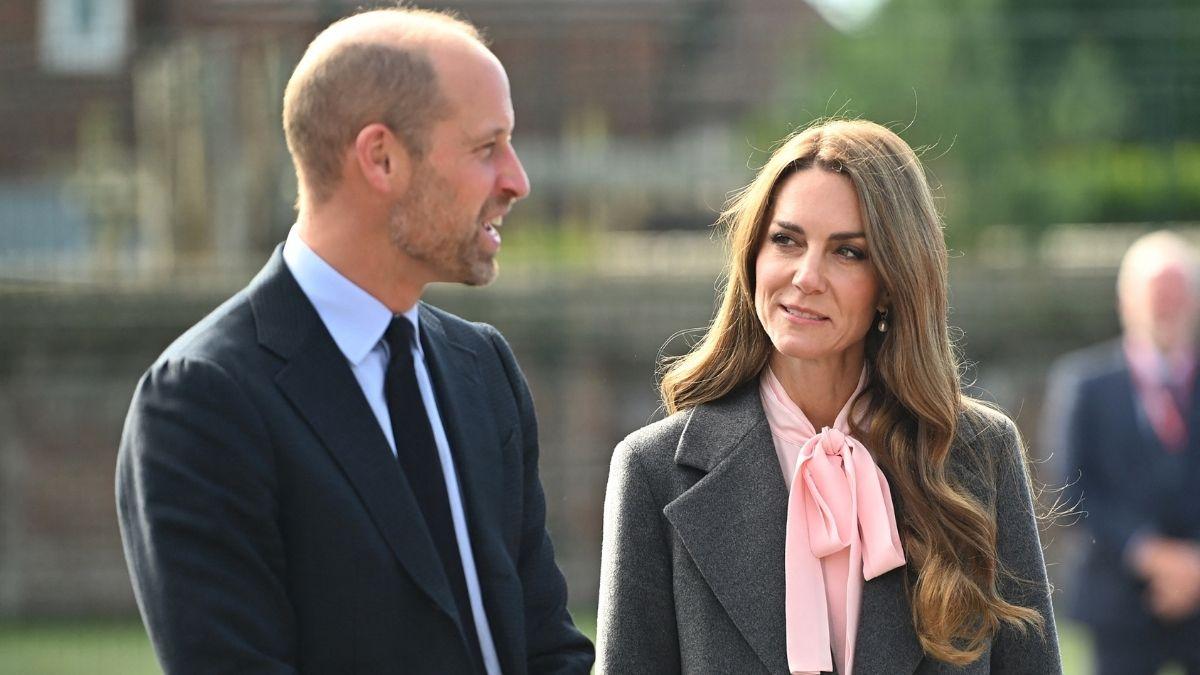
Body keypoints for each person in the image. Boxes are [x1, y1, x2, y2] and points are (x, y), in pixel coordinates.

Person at [115, 8, 594, 674]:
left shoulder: (482, 368)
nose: (517, 180)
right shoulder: (203, 400)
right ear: (381, 158)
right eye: (487, 148)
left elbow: (546, 645)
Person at [596, 119, 1061, 673]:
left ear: (892, 282)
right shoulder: (653, 469)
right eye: (786, 241)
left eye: (848, 252)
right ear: (752, 256)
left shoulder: (978, 453)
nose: (806, 276)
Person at [1043, 231, 1200, 674]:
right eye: (1155, 294)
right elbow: (1070, 490)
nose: (1165, 306)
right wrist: (1149, 554)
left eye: (1176, 293)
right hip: (1116, 602)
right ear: (1125, 302)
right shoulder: (1084, 385)